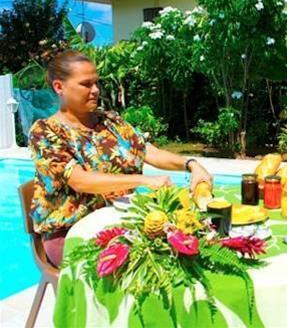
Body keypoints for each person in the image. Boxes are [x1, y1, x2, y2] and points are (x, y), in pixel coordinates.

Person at [29, 50, 212, 267]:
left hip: (120, 220)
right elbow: (80, 180)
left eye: (96, 83)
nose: (95, 90)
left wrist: (192, 165)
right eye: (86, 84)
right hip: (71, 231)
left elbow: (147, 151)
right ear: (59, 87)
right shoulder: (45, 132)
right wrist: (143, 180)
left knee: (191, 243)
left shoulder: (109, 122)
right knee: (148, 265)